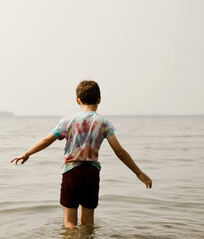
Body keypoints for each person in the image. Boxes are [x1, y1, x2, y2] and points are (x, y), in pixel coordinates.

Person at [11, 80, 152, 229]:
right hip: (91, 173)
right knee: (88, 223)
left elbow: (47, 141)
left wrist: (27, 153)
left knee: (70, 223)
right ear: (99, 99)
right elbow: (119, 151)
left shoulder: (67, 121)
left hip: (71, 173)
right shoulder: (104, 123)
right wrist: (139, 173)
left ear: (78, 100)